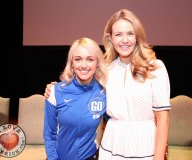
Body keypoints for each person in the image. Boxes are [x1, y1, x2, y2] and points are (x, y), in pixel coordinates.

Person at [45, 9, 171, 160]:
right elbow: (83, 88)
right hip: (110, 149)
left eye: (130, 33)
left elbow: (163, 119)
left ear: (137, 36)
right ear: (111, 39)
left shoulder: (155, 68)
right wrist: (54, 88)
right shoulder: (106, 71)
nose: (125, 40)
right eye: (118, 34)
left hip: (145, 148)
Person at [43, 37, 108, 160]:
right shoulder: (55, 92)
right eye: (78, 59)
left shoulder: (103, 93)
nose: (83, 65)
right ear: (71, 63)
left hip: (90, 156)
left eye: (90, 59)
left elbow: (115, 123)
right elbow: (49, 134)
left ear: (97, 63)